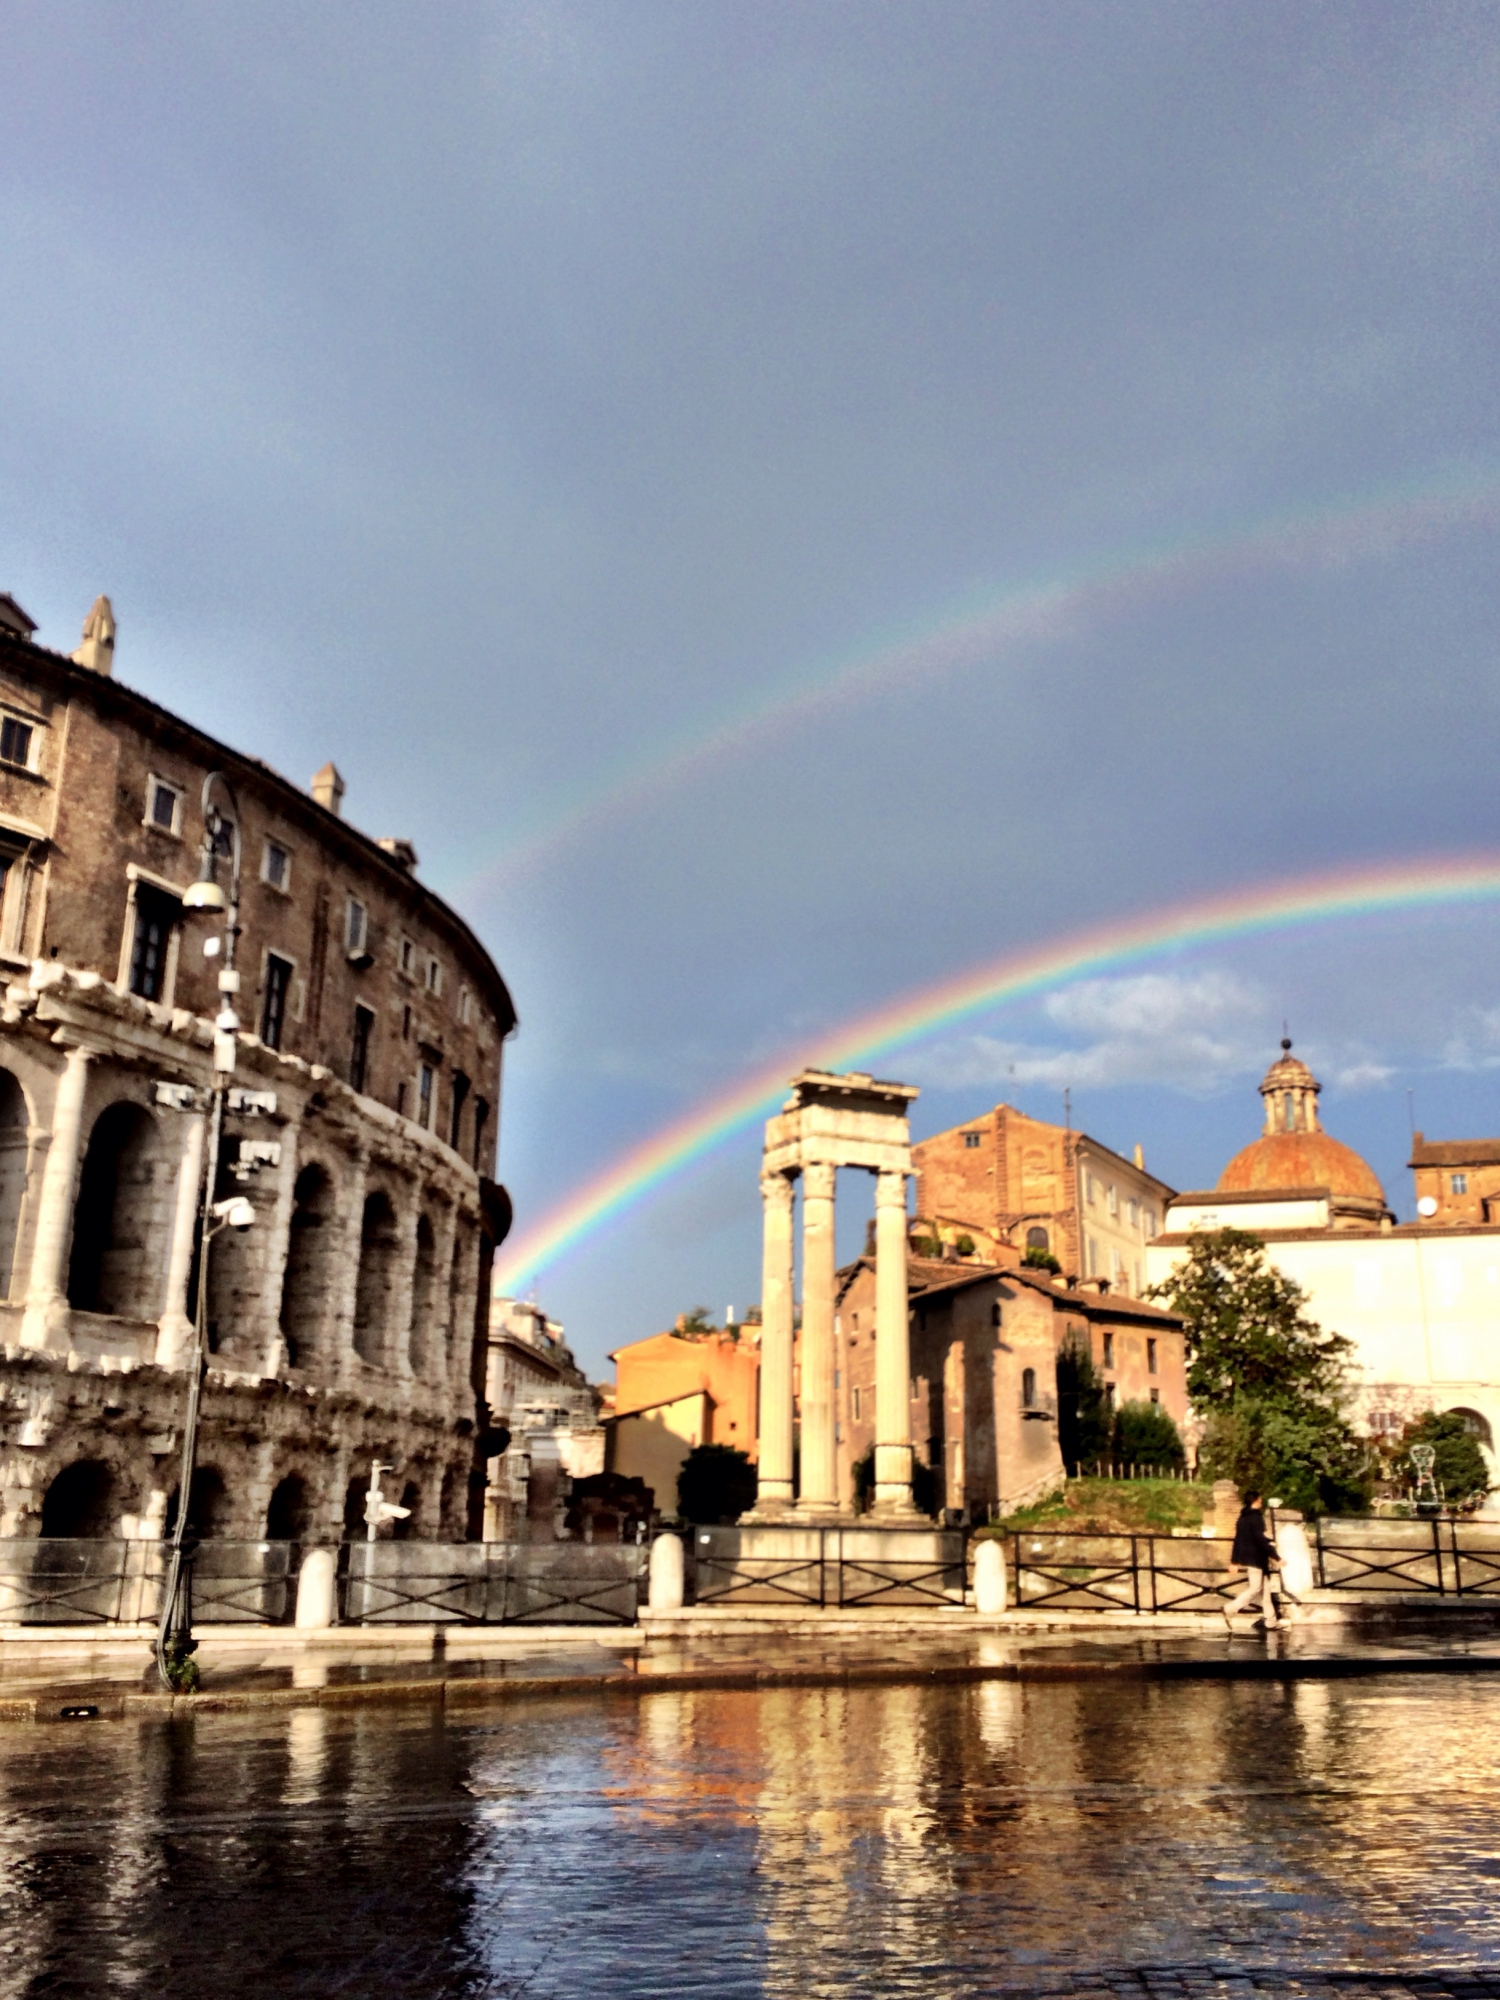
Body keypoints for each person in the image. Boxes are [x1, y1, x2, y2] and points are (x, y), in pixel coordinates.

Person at [1223, 1490, 1281, 1633]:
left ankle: (1271, 1622)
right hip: (1256, 1558)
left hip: (1251, 1558)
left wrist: (1234, 1561)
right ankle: (1230, 1608)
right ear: (1255, 1500)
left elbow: (1237, 1540)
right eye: (1260, 1499)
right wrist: (1276, 1556)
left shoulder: (1242, 1518)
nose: (1261, 1501)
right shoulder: (1255, 1518)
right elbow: (1260, 1540)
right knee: (1255, 1588)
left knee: (1266, 1590)